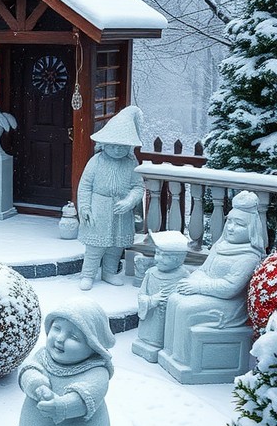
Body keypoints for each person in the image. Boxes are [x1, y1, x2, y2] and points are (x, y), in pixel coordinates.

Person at [14, 299, 116, 426]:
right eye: (57, 328)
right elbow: (28, 370)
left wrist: (63, 406)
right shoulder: (43, 356)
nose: (60, 338)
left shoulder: (96, 371)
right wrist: (38, 386)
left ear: (93, 345)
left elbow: (87, 395)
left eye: (74, 337)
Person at [159, 191, 264, 370]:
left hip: (230, 304)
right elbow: (203, 270)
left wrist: (198, 286)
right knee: (174, 299)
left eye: (239, 225)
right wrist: (192, 282)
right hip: (209, 294)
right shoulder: (220, 246)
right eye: (229, 222)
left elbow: (229, 288)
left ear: (251, 229)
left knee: (186, 308)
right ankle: (171, 351)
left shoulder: (249, 256)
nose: (230, 228)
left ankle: (183, 359)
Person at [77, 106, 144, 290]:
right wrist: (84, 208)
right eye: (112, 146)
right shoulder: (96, 161)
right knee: (95, 247)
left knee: (115, 246)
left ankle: (109, 272)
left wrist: (129, 201)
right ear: (104, 144)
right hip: (99, 207)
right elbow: (85, 186)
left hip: (121, 211)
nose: (116, 150)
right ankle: (88, 274)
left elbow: (138, 187)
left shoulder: (131, 163)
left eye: (121, 146)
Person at [131, 230, 189, 362]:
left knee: (163, 335)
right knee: (149, 335)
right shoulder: (151, 273)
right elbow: (141, 295)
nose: (158, 259)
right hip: (150, 319)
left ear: (177, 259)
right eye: (157, 253)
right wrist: (151, 301)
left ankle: (163, 344)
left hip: (167, 321)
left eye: (164, 256)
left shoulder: (184, 276)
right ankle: (147, 341)